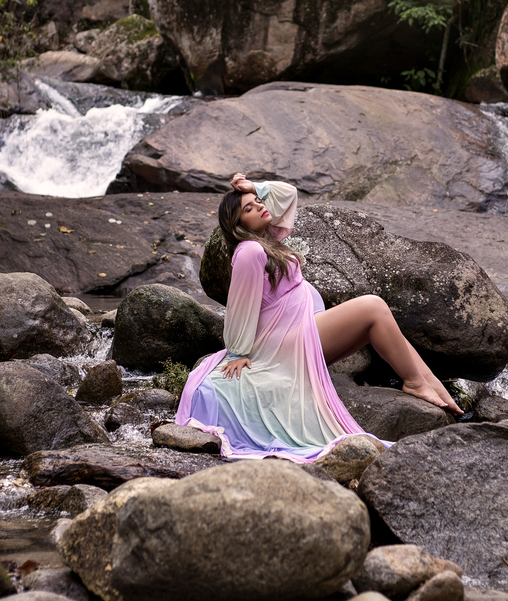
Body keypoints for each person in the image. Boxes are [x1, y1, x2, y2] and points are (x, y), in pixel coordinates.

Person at [176, 173, 463, 462]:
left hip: (301, 332)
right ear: (237, 225)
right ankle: (415, 382)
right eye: (248, 208)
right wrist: (237, 351)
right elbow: (240, 305)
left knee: (387, 329)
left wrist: (254, 187)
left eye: (258, 201)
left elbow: (287, 194)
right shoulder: (249, 250)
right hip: (284, 344)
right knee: (373, 307)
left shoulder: (267, 240)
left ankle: (432, 385)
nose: (261, 205)